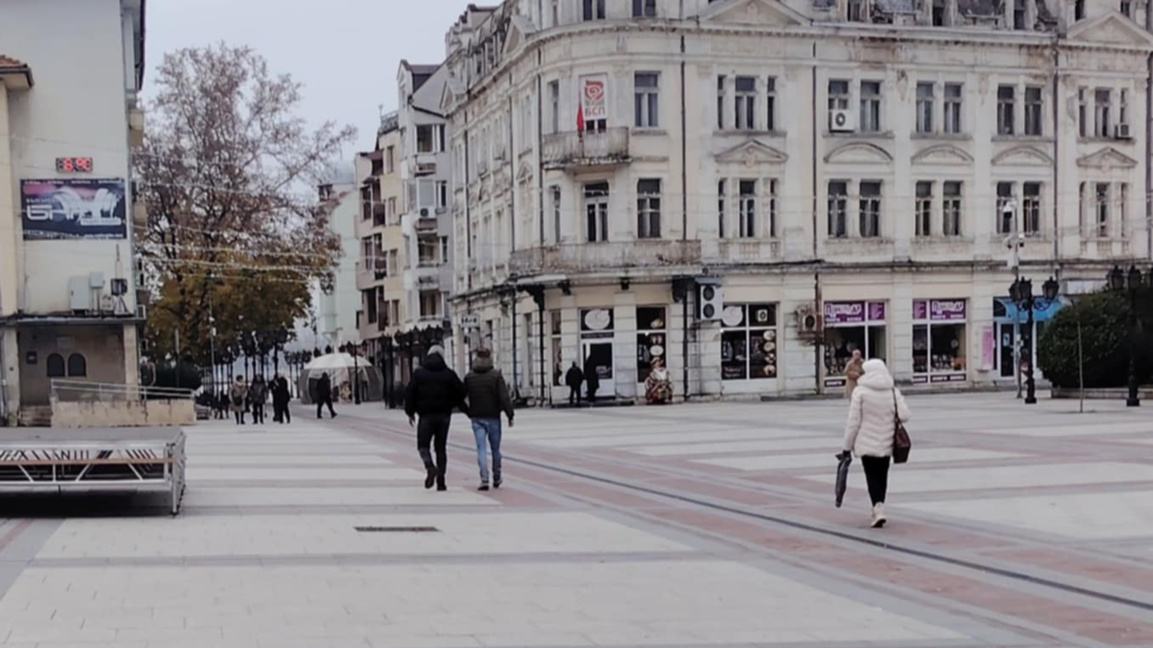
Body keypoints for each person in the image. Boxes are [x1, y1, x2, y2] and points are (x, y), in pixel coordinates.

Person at [841, 359, 910, 529]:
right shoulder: (893, 392)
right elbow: (905, 415)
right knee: (882, 475)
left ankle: (877, 509)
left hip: (866, 443)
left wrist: (846, 447)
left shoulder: (860, 392)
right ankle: (880, 506)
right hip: (886, 442)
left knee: (871, 476)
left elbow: (853, 422)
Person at [405, 345, 467, 492]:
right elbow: (461, 392)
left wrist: (410, 412)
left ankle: (429, 466)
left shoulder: (419, 374)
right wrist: (452, 404)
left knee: (423, 446)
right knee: (440, 448)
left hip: (425, 416)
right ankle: (441, 482)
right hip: (444, 416)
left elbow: (410, 393)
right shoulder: (448, 374)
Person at [463, 348, 514, 491]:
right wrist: (510, 414)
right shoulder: (496, 376)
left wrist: (468, 411)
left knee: (481, 449)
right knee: (495, 449)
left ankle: (484, 478)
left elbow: (460, 396)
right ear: (490, 358)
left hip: (477, 418)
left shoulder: (469, 377)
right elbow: (504, 397)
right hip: (493, 417)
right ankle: (497, 476)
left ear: (476, 358)